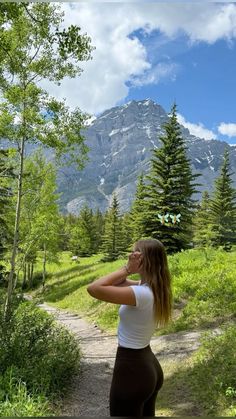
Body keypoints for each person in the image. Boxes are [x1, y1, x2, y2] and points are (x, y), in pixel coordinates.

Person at [87, 238, 172, 417]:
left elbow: (94, 288)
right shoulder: (154, 288)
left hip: (132, 369)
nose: (130, 257)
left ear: (144, 260)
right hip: (147, 365)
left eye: (135, 254)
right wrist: (129, 268)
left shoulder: (141, 294)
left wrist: (127, 269)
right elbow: (116, 284)